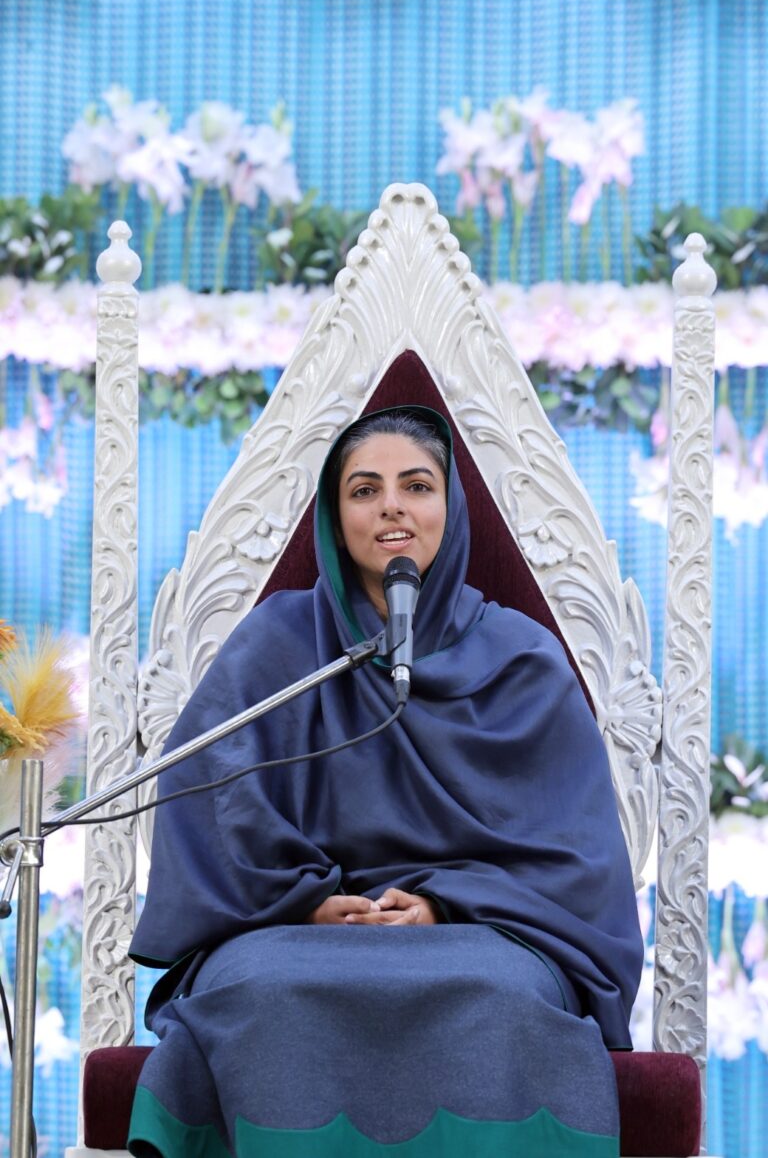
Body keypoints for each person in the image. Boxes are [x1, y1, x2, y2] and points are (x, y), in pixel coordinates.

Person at [128, 406, 643, 1158]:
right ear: (335, 523)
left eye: (417, 486)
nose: (392, 506)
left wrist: (443, 905)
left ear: (451, 509)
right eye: (365, 490)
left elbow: (575, 853)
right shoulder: (279, 642)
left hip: (481, 934)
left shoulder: (523, 658)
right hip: (291, 928)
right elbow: (211, 796)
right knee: (259, 990)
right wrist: (303, 901)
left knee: (500, 995)